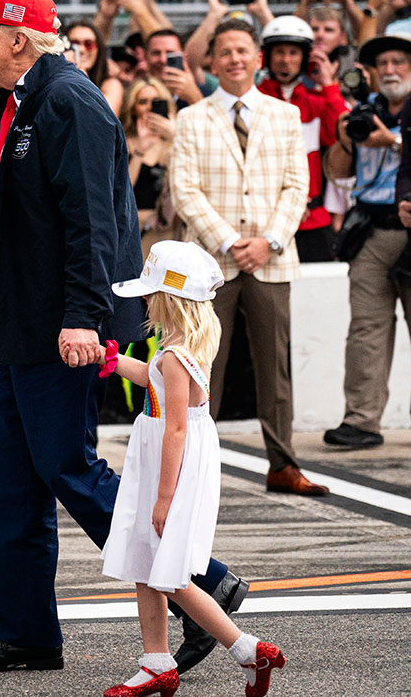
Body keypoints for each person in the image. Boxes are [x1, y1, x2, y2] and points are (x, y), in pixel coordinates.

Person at [0, 0, 246, 676]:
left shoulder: (69, 101)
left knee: (69, 469)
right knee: (13, 489)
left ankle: (206, 582)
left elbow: (93, 223)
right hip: (25, 326)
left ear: (18, 40)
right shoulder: (19, 98)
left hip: (60, 326)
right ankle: (24, 634)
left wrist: (83, 317)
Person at [99, 241, 285, 697]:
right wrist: (113, 361)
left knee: (170, 575)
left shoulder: (176, 358)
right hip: (163, 454)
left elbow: (176, 429)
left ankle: (247, 648)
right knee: (146, 561)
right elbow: (152, 380)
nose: (144, 300)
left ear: (168, 299)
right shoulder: (177, 349)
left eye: (149, 293)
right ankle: (156, 662)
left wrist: (164, 497)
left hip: (172, 463)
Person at [169, 18, 327, 497]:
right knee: (201, 365)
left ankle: (282, 463)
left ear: (257, 59)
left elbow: (297, 186)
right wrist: (226, 241)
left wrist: (269, 241)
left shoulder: (284, 114)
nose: (235, 58)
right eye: (226, 52)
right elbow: (184, 189)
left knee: (273, 365)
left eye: (243, 50)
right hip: (210, 264)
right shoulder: (192, 117)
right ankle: (192, 466)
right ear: (212, 63)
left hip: (272, 258)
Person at [325, 31, 411, 449]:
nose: (391, 70)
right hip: (372, 232)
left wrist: (392, 140)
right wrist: (348, 135)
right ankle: (361, 420)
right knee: (365, 329)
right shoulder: (364, 111)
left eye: (400, 61)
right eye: (383, 64)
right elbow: (337, 174)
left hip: (410, 228)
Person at [256, 16, 348, 262]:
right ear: (266, 57)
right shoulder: (252, 99)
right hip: (263, 219)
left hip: (312, 220)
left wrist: (328, 84)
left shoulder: (318, 101)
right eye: (279, 52)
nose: (286, 60)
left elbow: (344, 134)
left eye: (294, 53)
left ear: (305, 58)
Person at [120, 77, 178, 258]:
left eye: (156, 101)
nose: (149, 107)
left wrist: (174, 137)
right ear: (133, 107)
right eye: (142, 102)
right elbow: (123, 189)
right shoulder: (124, 142)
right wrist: (139, 152)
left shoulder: (176, 142)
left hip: (169, 232)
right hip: (135, 230)